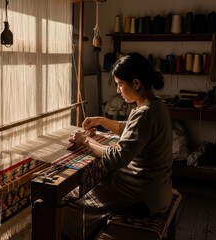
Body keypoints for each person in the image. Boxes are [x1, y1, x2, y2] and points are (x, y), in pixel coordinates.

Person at [62, 52, 173, 239]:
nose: (117, 90)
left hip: (144, 196)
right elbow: (131, 131)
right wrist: (103, 121)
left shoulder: (145, 113)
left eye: (120, 84)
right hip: (158, 189)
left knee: (69, 203)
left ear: (136, 83)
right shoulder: (155, 105)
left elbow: (117, 158)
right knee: (90, 190)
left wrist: (86, 140)